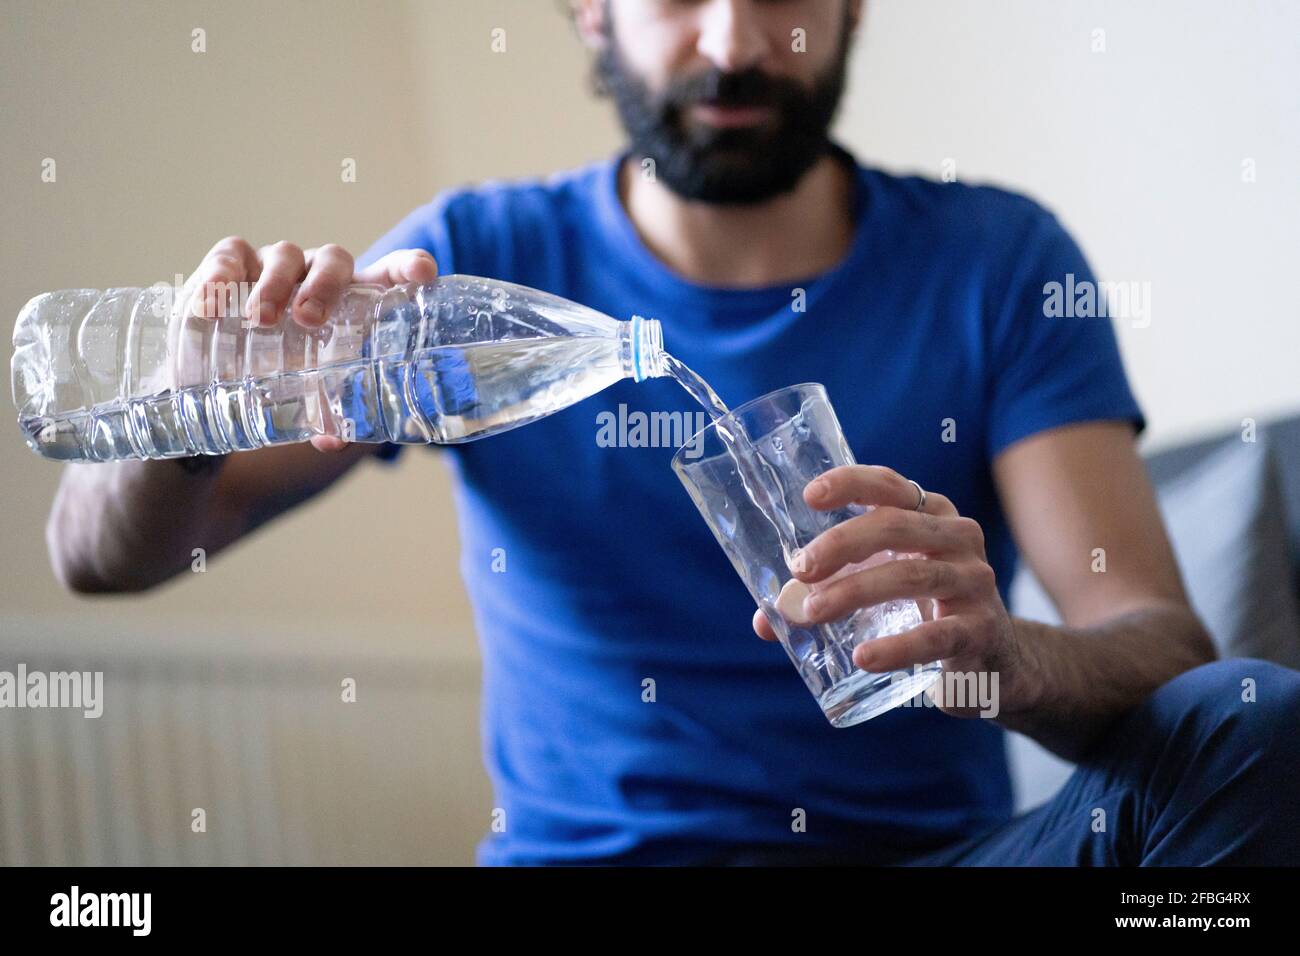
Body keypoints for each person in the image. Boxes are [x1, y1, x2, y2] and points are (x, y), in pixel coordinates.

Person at [46, 0, 1300, 866]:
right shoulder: (476, 256)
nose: (735, 42)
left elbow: (1158, 642)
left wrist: (1005, 653)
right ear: (590, 11)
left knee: (1252, 718)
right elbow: (101, 556)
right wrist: (187, 412)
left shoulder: (1000, 260)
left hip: (941, 855)